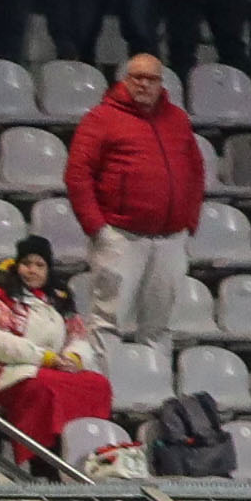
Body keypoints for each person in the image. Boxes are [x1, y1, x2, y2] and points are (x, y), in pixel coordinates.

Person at [66, 53, 202, 342]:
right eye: (136, 77)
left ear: (160, 83)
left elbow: (195, 170)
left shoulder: (177, 119)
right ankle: (104, 387)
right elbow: (78, 175)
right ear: (125, 80)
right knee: (106, 323)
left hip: (171, 240)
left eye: (151, 78)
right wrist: (98, 229)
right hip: (120, 238)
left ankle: (155, 385)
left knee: (160, 327)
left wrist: (189, 222)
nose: (143, 84)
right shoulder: (100, 119)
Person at [0, 235, 111, 460]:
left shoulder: (58, 300)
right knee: (43, 388)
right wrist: (43, 357)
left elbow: (78, 337)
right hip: (1, 370)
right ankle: (42, 458)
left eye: (39, 265)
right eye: (27, 264)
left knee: (97, 384)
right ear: (17, 265)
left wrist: (73, 358)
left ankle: (87, 455)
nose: (32, 270)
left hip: (48, 368)